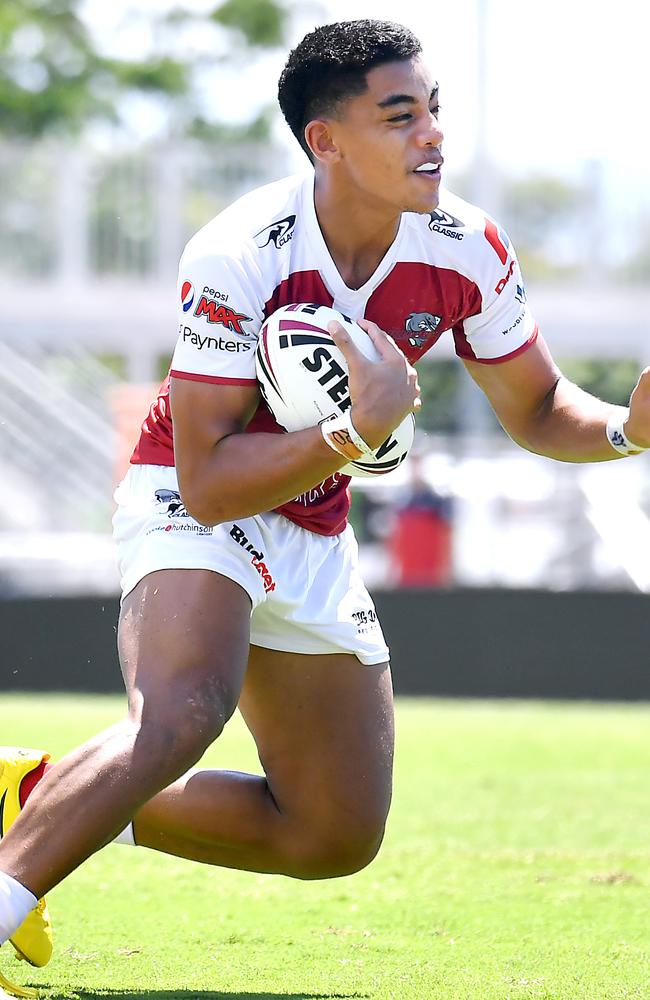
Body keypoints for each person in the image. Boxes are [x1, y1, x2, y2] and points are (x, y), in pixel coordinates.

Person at [1, 18, 650, 997]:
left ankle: (38, 793)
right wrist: (353, 434)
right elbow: (212, 476)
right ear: (326, 141)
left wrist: (626, 431)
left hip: (309, 518)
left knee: (330, 830)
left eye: (433, 110)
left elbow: (540, 405)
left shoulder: (467, 246)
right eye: (399, 116)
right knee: (181, 711)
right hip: (191, 493)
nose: (431, 134)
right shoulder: (237, 250)